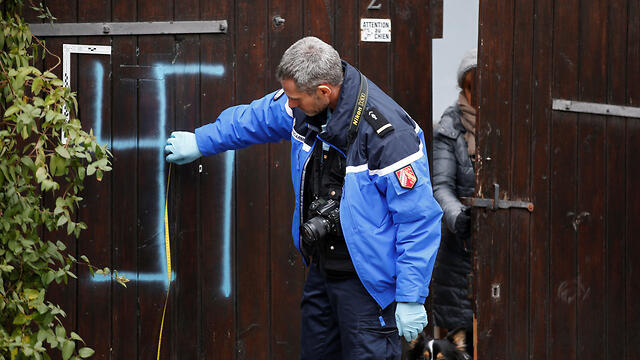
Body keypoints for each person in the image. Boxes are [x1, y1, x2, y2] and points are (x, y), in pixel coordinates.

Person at [164, 36, 443, 359]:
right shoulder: (304, 105)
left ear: (324, 91)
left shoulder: (388, 136)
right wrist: (202, 141)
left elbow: (418, 220)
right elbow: (256, 118)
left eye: (295, 99)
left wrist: (410, 295)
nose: (290, 105)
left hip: (370, 289)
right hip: (323, 272)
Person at [430, 48, 477, 336]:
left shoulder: (511, 123)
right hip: (460, 246)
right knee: (460, 335)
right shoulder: (449, 127)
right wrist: (459, 217)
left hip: (504, 244)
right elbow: (441, 186)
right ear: (466, 87)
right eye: (475, 85)